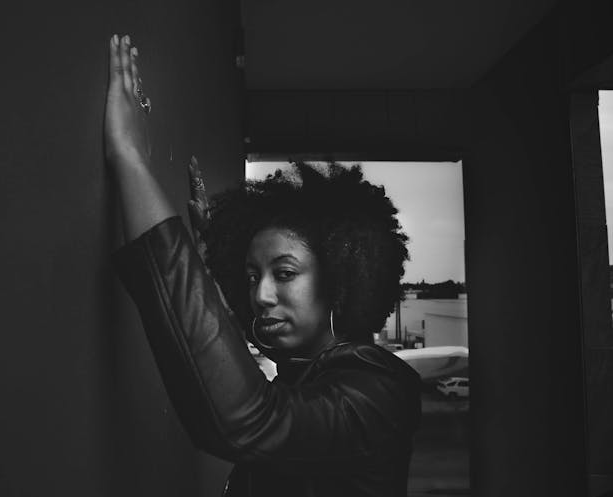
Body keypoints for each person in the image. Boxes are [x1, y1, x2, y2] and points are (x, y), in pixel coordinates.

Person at [105, 33, 421, 497]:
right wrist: (213, 250)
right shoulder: (306, 368)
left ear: (338, 282)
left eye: (285, 273)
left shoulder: (378, 388)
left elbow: (247, 421)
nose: (260, 295)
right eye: (252, 276)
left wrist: (130, 159)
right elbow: (241, 321)